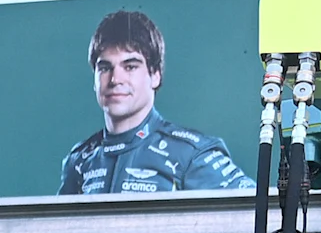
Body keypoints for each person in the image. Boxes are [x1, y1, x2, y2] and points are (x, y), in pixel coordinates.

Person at [57, 11, 248, 199]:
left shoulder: (191, 155)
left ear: (155, 75)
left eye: (130, 67)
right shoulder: (80, 161)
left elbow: (257, 215)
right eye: (105, 68)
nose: (115, 79)